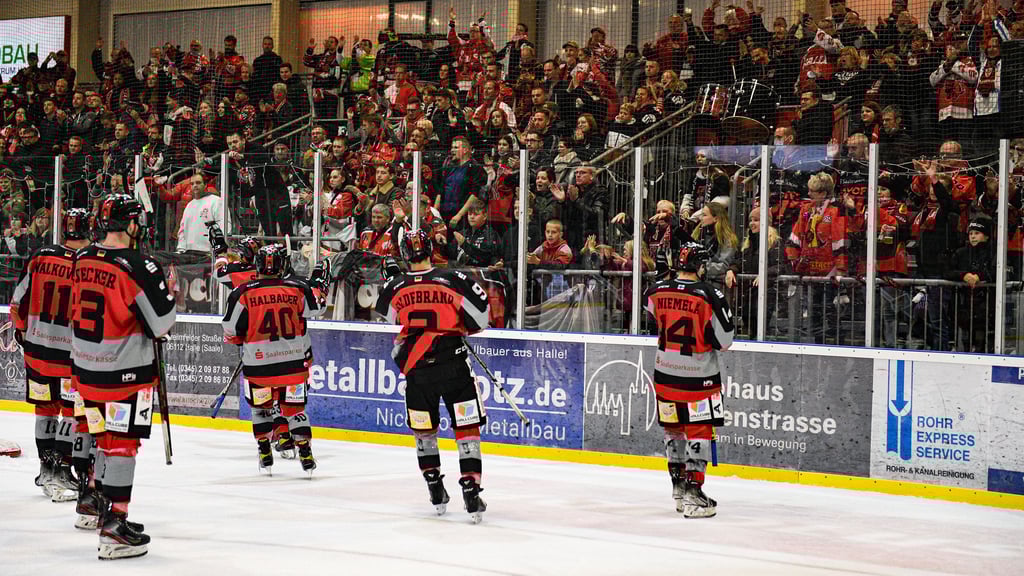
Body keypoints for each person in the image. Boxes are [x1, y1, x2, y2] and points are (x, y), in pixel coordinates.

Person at [71, 195, 176, 560]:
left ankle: (94, 503)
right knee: (121, 445)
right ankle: (115, 524)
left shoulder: (83, 257)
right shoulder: (137, 264)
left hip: (83, 370)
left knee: (100, 437)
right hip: (123, 374)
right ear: (131, 224)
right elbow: (162, 323)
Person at [374, 229, 491, 523]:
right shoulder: (455, 279)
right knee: (467, 428)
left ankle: (434, 485)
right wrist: (459, 328)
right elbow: (481, 318)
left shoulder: (396, 285)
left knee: (424, 431)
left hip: (417, 372)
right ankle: (470, 486)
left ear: (403, 253)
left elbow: (390, 316)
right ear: (430, 250)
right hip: (454, 367)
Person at [643, 241, 734, 518]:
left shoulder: (656, 290)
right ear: (701, 266)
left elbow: (653, 321)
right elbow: (724, 341)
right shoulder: (711, 294)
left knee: (673, 430)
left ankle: (679, 490)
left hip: (665, 376)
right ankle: (695, 495)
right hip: (699, 380)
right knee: (699, 432)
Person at [222, 244, 330, 474]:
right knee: (294, 409)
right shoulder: (298, 288)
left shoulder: (242, 292)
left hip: (258, 368)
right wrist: (320, 286)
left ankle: (264, 451)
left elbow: (230, 329)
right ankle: (305, 451)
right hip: (293, 366)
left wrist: (240, 338)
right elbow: (317, 309)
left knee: (261, 410)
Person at [10, 209, 92, 503]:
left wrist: (23, 334)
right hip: (71, 356)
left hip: (38, 353)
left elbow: (17, 302)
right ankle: (61, 471)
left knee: (45, 407)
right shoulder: (89, 263)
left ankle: (46, 469)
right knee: (71, 411)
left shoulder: (39, 256)